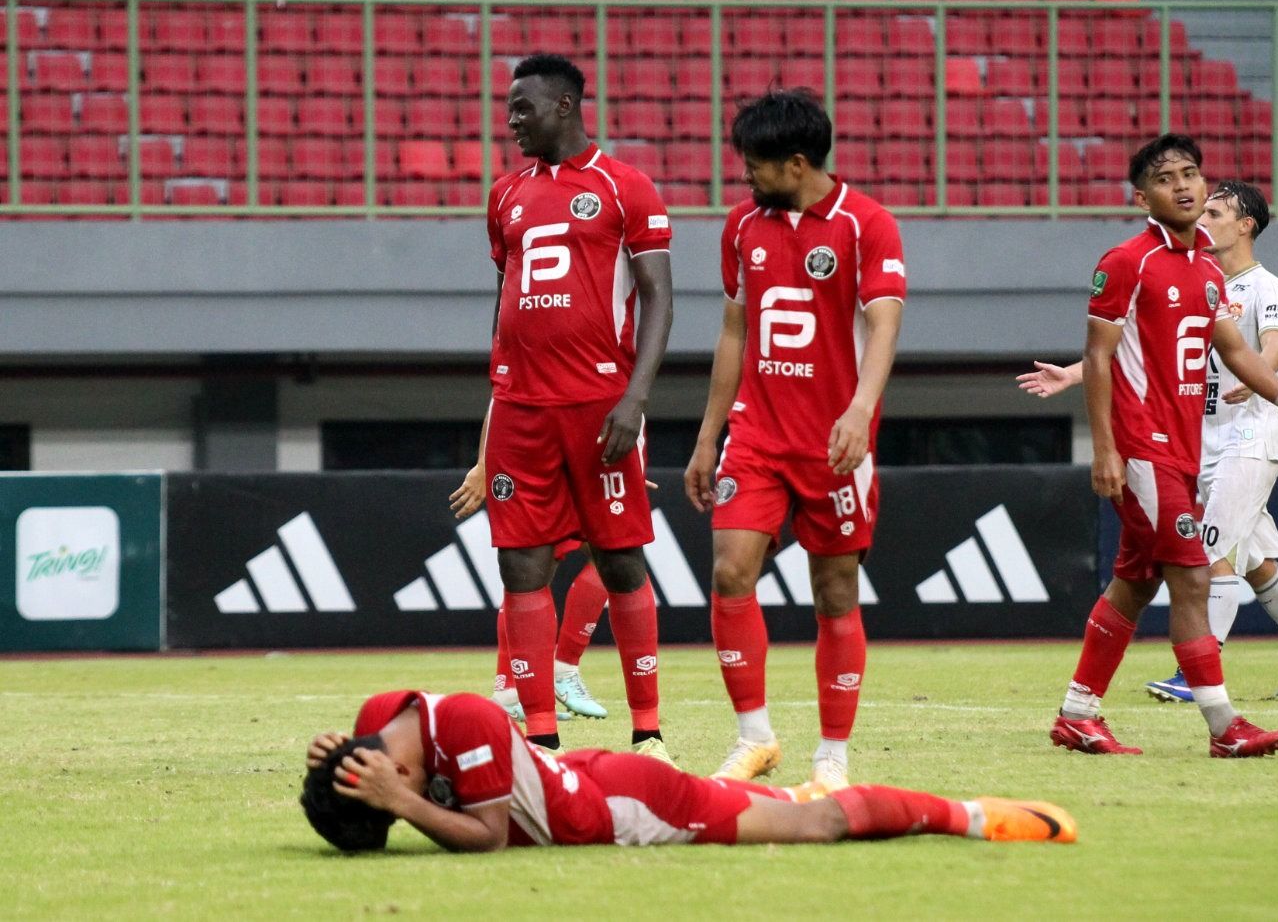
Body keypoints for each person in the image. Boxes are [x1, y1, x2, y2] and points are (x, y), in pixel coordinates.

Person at [1042, 134, 1278, 758]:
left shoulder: (1208, 272)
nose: (1182, 186)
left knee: (1134, 580)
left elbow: (1238, 354)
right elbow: (1099, 358)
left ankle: (1077, 713)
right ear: (1142, 196)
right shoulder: (1127, 261)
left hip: (1183, 450)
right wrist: (1105, 449)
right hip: (1142, 447)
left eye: (1191, 174)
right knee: (1192, 577)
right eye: (1164, 178)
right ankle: (1224, 725)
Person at [683, 91, 905, 792]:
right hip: (757, 436)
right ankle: (755, 738)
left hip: (836, 444)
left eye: (754, 166)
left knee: (835, 591)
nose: (744, 178)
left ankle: (832, 757)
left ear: (798, 163)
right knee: (728, 572)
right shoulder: (742, 226)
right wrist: (707, 437)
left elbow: (885, 326)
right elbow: (732, 333)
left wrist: (859, 410)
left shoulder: (867, 225)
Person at [467, 53, 673, 761]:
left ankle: (647, 734)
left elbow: (659, 298)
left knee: (619, 563)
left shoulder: (625, 187)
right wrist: (497, 394)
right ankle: (543, 740)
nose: (512, 121)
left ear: (563, 105)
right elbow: (505, 296)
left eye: (522, 108)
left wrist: (635, 397)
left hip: (599, 404)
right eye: (508, 109)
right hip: (522, 408)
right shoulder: (505, 196)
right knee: (521, 568)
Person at [300, 690, 1077, 852]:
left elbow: (487, 837)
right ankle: (951, 811)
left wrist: (401, 803)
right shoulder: (379, 723)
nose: (401, 806)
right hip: (590, 774)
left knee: (816, 822)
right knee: (787, 801)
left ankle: (969, 815)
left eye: (391, 800)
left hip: (631, 807)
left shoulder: (462, 717)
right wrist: (356, 771)